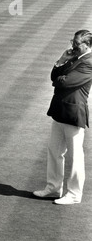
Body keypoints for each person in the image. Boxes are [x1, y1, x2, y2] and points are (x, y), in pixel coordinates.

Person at [34, 30, 92, 205]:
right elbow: (55, 76)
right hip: (60, 110)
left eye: (77, 43)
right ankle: (53, 187)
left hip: (73, 113)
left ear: (87, 45)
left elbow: (66, 82)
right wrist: (61, 60)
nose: (73, 46)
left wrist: (60, 79)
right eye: (73, 41)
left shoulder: (89, 62)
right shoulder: (75, 58)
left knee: (75, 156)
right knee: (54, 151)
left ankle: (74, 194)